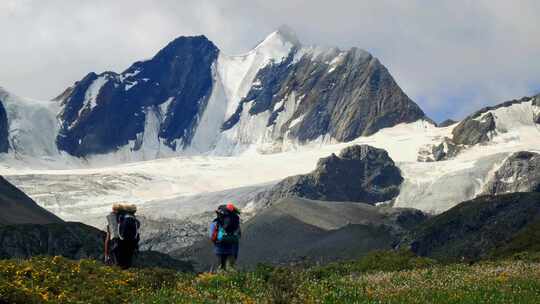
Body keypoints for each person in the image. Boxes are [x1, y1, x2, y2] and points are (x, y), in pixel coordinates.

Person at [104, 203, 140, 269]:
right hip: (130, 247)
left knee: (117, 266)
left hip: (116, 246)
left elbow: (107, 240)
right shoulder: (134, 221)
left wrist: (106, 255)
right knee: (126, 266)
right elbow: (136, 236)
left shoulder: (115, 222)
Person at [209, 203, 241, 272]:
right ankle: (232, 281)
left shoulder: (215, 223)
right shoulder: (235, 224)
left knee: (219, 270)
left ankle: (219, 281)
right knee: (230, 269)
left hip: (219, 251)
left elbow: (212, 237)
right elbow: (238, 236)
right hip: (231, 251)